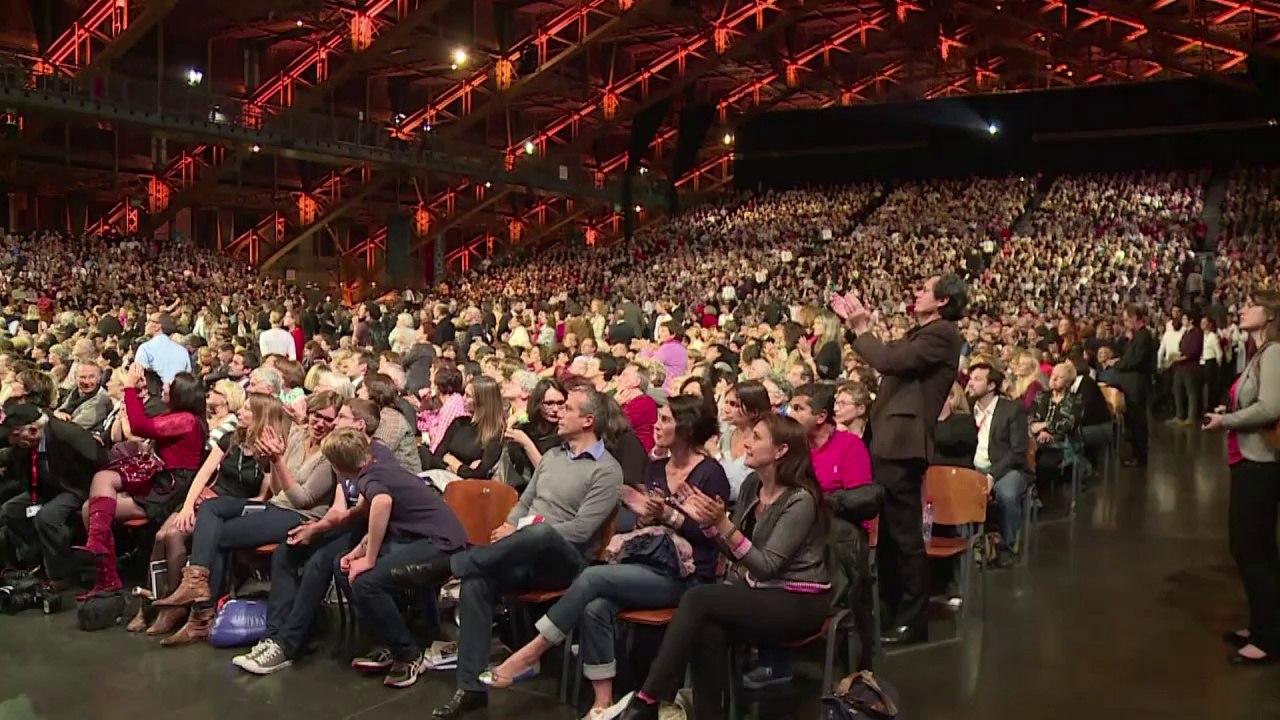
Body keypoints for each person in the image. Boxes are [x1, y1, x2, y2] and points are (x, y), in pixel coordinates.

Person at [480, 396, 728, 719]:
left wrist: (669, 516)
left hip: (687, 576)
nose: (657, 425)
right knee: (596, 605)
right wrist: (645, 516)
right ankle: (602, 703)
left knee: (593, 577)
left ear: (686, 428)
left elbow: (713, 537)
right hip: (649, 561)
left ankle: (533, 650)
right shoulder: (655, 467)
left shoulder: (711, 473)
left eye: (666, 420)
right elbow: (649, 527)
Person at [390, 387, 624, 719]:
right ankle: (471, 688)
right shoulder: (555, 457)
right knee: (476, 582)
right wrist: (511, 525)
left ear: (588, 420)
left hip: (568, 561)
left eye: (568, 408)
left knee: (539, 532)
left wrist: (523, 531)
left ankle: (445, 567)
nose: (559, 412)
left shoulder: (607, 470)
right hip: (526, 551)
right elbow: (526, 500)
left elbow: (581, 531)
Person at [612, 414, 831, 720]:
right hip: (758, 591)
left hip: (799, 599)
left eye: (756, 437)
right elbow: (734, 550)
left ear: (781, 451)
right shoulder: (753, 485)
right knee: (707, 628)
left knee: (700, 598)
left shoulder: (800, 499)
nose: (746, 443)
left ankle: (647, 701)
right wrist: (710, 526)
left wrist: (723, 524)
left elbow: (766, 565)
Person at [831, 273, 965, 645]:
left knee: (904, 535)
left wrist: (862, 328)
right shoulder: (919, 334)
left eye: (924, 288)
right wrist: (855, 328)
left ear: (943, 301)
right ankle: (890, 611)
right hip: (891, 442)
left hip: (903, 444)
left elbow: (888, 360)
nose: (916, 291)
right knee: (890, 534)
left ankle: (912, 619)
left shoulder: (942, 334)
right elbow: (887, 355)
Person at [326, 428, 469, 688]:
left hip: (443, 545)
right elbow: (383, 522)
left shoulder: (369, 478)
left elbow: (382, 504)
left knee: (367, 582)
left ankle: (409, 654)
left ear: (338, 466)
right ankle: (389, 640)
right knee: (343, 566)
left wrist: (368, 560)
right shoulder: (374, 468)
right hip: (419, 539)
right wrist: (357, 553)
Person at [134, 392, 284, 636]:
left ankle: (173, 608)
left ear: (260, 416)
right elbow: (203, 475)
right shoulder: (231, 438)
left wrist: (217, 506)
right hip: (209, 496)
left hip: (236, 506)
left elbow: (264, 497)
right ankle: (155, 602)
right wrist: (187, 506)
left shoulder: (270, 450)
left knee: (173, 537)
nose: (240, 412)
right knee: (161, 535)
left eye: (247, 409)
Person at [77, 368, 208, 599]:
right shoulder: (179, 416)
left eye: (171, 385)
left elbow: (140, 427)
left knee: (91, 508)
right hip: (159, 476)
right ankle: (100, 553)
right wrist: (135, 394)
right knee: (101, 480)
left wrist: (128, 388)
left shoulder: (186, 420)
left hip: (170, 487)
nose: (165, 387)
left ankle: (107, 576)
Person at [1203, 291, 1280, 665]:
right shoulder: (1259, 354)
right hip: (1247, 458)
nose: (1243, 309)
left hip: (1261, 463)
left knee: (1253, 549)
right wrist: (1228, 409)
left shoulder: (1275, 353)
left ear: (1269, 317)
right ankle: (1264, 623)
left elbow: (1270, 408)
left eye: (1252, 306)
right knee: (1253, 548)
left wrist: (1226, 421)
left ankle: (1268, 638)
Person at [0, 404, 108, 591]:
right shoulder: (26, 443)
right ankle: (37, 558)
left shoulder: (67, 435)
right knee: (11, 510)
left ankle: (61, 575)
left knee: (47, 517)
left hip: (75, 487)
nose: (12, 440)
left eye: (15, 435)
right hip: (46, 488)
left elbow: (100, 460)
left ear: (33, 430)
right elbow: (11, 459)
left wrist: (98, 491)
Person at [966, 363, 1030, 567]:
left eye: (977, 379)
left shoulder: (1012, 410)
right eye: (971, 378)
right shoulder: (968, 407)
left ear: (992, 385)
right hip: (973, 467)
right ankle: (967, 548)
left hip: (1006, 468)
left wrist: (992, 475)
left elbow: (1018, 451)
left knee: (1007, 494)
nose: (971, 383)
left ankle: (1008, 547)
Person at [1113, 305, 1156, 467]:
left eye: (1126, 319)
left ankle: (1140, 455)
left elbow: (1134, 359)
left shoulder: (1144, 336)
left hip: (1136, 384)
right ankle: (1135, 454)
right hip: (1131, 383)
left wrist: (1118, 365)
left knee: (1137, 420)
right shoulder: (1136, 337)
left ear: (1134, 318)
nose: (1125, 323)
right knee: (1132, 420)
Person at [136, 311, 192, 384]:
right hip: (180, 393)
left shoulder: (145, 349)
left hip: (155, 393)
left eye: (149, 321)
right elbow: (188, 378)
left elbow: (138, 377)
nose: (145, 323)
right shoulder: (183, 350)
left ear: (157, 326)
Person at [933, 382, 978, 468]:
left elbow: (948, 439)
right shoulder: (927, 421)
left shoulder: (965, 420)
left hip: (957, 474)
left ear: (952, 398)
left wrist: (941, 417)